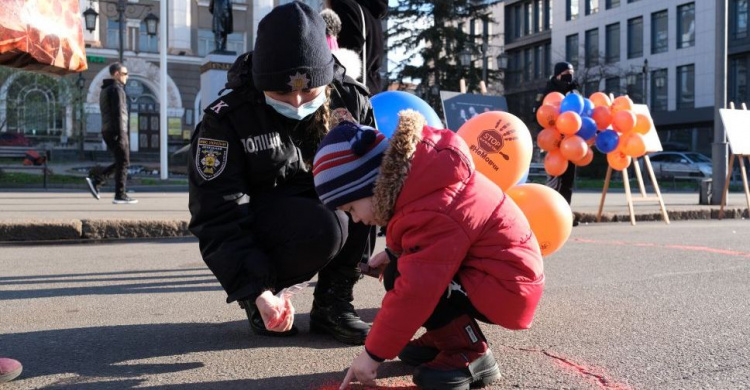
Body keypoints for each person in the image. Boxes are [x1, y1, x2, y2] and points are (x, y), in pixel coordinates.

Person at [312, 112, 545, 390]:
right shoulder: (423, 180)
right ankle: (447, 336)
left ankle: (471, 354)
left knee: (407, 280)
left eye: (351, 208)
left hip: (507, 287)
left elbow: (416, 290)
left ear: (372, 185)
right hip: (496, 274)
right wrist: (394, 252)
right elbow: (437, 241)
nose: (356, 218)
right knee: (401, 269)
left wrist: (372, 355)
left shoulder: (433, 205)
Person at [188, 1, 374, 345]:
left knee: (362, 192)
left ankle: (334, 302)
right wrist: (257, 289)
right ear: (260, 82)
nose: (298, 102)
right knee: (325, 226)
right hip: (269, 220)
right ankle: (263, 299)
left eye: (310, 90)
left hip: (323, 205)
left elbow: (376, 178)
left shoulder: (351, 99)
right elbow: (217, 213)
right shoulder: (228, 117)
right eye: (282, 93)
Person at [85, 62, 137, 204]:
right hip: (116, 130)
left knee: (122, 161)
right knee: (124, 161)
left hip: (109, 130)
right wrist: (121, 134)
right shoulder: (116, 89)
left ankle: (98, 179)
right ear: (117, 74)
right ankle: (118, 194)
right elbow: (118, 113)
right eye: (125, 74)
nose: (127, 76)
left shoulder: (107, 89)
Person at [538, 61, 580, 225]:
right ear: (557, 75)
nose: (569, 76)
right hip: (553, 143)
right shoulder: (549, 91)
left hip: (571, 141)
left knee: (568, 181)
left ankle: (565, 215)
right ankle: (549, 213)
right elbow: (540, 114)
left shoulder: (574, 91)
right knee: (555, 179)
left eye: (571, 73)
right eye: (566, 74)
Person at [325, 0, 387, 95]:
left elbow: (346, 57)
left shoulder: (345, 6)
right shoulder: (371, 13)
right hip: (372, 89)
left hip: (351, 95)